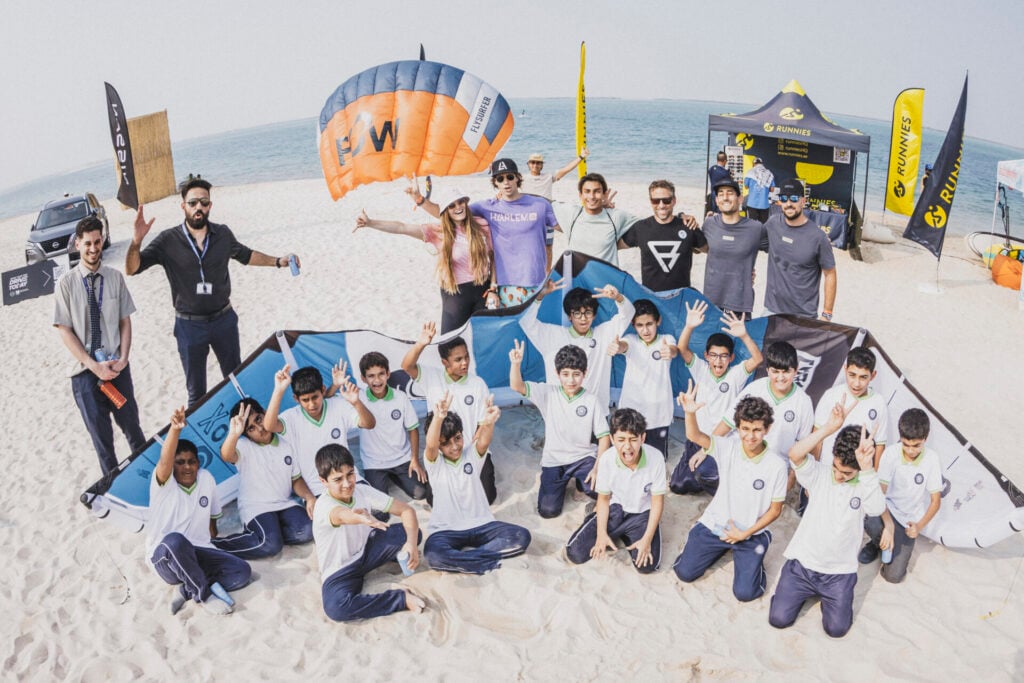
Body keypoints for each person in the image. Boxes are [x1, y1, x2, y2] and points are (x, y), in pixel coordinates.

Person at [126, 178, 300, 406]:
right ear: (183, 206)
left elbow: (246, 255)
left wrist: (278, 261)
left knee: (236, 380)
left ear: (210, 205)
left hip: (223, 320)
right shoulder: (167, 240)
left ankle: (241, 421)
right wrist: (136, 241)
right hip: (189, 326)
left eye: (204, 202)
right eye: (193, 203)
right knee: (196, 393)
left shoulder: (222, 234)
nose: (199, 207)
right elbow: (132, 269)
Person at [768, 406, 885, 638]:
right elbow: (794, 454)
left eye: (847, 473)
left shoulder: (866, 484)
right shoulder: (820, 473)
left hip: (838, 574)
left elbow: (877, 508)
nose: (839, 476)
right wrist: (828, 428)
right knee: (778, 619)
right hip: (802, 566)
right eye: (836, 468)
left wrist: (867, 468)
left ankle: (828, 599)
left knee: (836, 629)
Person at [674, 385, 787, 601]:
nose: (750, 436)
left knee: (745, 593)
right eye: (745, 429)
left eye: (757, 430)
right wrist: (689, 413)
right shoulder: (727, 447)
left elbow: (775, 511)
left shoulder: (777, 465)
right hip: (716, 525)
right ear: (738, 427)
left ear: (767, 428)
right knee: (684, 573)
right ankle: (715, 545)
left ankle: (754, 558)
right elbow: (694, 435)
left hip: (750, 533)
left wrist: (745, 534)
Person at [54, 216, 146, 475]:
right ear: (77, 244)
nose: (93, 249)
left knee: (134, 431)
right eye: (87, 244)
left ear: (103, 240)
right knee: (103, 443)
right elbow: (64, 330)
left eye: (97, 242)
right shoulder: (66, 284)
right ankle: (114, 488)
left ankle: (146, 477)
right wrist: (93, 366)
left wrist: (124, 358)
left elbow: (125, 321)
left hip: (116, 368)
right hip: (85, 374)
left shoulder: (115, 278)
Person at [409, 159, 558, 306]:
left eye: (510, 177)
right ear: (495, 183)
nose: (506, 182)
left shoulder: (540, 204)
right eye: (500, 179)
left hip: (537, 282)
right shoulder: (487, 207)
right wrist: (419, 199)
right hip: (505, 285)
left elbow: (563, 227)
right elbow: (449, 212)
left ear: (518, 178)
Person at [147, 406, 251, 616]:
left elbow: (213, 519)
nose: (187, 467)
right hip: (165, 557)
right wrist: (175, 430)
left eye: (191, 462)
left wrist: (210, 540)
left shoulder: (206, 478)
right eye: (180, 462)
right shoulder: (164, 483)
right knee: (175, 541)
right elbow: (165, 460)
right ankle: (203, 595)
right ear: (173, 466)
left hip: (197, 552)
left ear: (198, 463)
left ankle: (186, 588)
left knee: (242, 571)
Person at [356, 186, 494, 332]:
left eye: (461, 202)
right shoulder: (437, 231)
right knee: (451, 341)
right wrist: (370, 223)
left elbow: (493, 258)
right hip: (455, 293)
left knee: (483, 337)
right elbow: (402, 228)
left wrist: (493, 288)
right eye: (452, 205)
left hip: (483, 290)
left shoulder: (481, 225)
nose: (458, 207)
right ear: (445, 210)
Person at [313, 444, 425, 622]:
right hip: (341, 569)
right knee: (336, 609)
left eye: (350, 474)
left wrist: (410, 544)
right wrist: (359, 518)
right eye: (338, 479)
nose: (347, 483)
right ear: (323, 481)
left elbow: (406, 510)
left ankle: (399, 554)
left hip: (368, 550)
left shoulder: (361, 491)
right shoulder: (323, 505)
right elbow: (340, 515)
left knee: (413, 533)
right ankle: (401, 598)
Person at [421, 392, 531, 574]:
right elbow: (431, 445)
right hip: (446, 530)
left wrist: (488, 422)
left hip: (482, 525)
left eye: (457, 438)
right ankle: (482, 560)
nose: (454, 446)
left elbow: (484, 441)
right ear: (439, 446)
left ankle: (470, 559)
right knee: (434, 555)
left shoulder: (471, 455)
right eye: (446, 443)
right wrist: (438, 418)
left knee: (521, 536)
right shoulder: (435, 464)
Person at [670, 300, 763, 495]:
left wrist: (744, 335)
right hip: (698, 437)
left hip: (722, 441)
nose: (718, 361)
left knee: (706, 474)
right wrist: (689, 326)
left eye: (723, 356)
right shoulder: (701, 370)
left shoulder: (735, 375)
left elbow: (757, 359)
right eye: (713, 355)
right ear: (706, 356)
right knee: (678, 485)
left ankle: (726, 485)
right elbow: (683, 349)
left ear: (731, 358)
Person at [510, 342, 610, 518]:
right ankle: (561, 484)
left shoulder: (591, 400)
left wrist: (597, 467)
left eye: (576, 374)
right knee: (548, 511)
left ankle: (580, 485)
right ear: (557, 374)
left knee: (600, 489)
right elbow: (517, 386)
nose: (571, 380)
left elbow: (604, 436)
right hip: (554, 459)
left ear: (585, 373)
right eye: (565, 374)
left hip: (583, 457)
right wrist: (516, 364)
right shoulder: (547, 393)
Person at [401, 323, 496, 503]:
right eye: (458, 359)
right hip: (443, 453)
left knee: (488, 498)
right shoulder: (431, 377)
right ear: (445, 362)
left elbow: (482, 426)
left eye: (466, 357)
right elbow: (407, 366)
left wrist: (470, 455)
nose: (465, 363)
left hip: (470, 451)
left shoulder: (478, 384)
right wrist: (421, 344)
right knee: (434, 501)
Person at [565, 408, 666, 574]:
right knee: (575, 553)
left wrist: (646, 540)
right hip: (615, 510)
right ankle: (599, 518)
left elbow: (657, 502)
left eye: (633, 439)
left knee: (647, 566)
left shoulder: (656, 458)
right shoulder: (606, 459)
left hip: (641, 514)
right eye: (621, 440)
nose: (627, 446)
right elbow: (604, 499)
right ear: (612, 439)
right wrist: (601, 534)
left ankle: (625, 534)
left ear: (643, 438)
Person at [212, 398, 316, 559]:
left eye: (259, 419)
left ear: (266, 413)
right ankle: (213, 546)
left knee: (308, 530)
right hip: (256, 507)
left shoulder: (286, 443)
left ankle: (269, 534)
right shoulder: (243, 446)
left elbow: (295, 479)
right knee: (269, 545)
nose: (259, 429)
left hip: (283, 503)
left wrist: (309, 497)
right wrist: (233, 434)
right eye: (251, 428)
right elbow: (226, 455)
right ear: (246, 435)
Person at [262, 362, 375, 497]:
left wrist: (357, 403)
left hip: (350, 481)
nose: (312, 405)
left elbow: (369, 424)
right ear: (296, 399)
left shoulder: (338, 404)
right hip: (319, 490)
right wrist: (279, 390)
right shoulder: (291, 418)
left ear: (323, 390)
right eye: (305, 400)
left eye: (315, 397)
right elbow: (269, 426)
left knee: (381, 508)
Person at [713, 341, 814, 489]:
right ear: (767, 370)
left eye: (786, 372)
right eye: (775, 371)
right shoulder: (755, 388)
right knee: (705, 471)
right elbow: (727, 422)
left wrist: (791, 478)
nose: (781, 377)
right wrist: (705, 450)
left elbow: (803, 446)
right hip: (742, 457)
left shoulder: (803, 402)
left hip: (774, 466)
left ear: (796, 370)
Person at [519, 281, 634, 410]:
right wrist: (540, 296)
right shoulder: (552, 335)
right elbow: (526, 322)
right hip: (561, 413)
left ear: (594, 315)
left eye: (588, 313)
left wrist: (618, 297)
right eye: (577, 313)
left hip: (597, 414)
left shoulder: (604, 334)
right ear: (569, 316)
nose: (583, 318)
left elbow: (628, 313)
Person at [858, 408, 942, 583]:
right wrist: (888, 526)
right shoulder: (891, 453)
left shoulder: (932, 459)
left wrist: (918, 527)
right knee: (871, 519)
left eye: (916, 446)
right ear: (900, 438)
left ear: (925, 439)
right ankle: (876, 543)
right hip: (887, 511)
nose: (910, 450)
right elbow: (880, 493)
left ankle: (889, 546)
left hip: (908, 521)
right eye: (906, 444)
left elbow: (935, 502)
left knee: (894, 577)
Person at [607, 299, 677, 456]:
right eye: (640, 325)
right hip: (631, 412)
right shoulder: (631, 340)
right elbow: (623, 346)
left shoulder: (667, 339)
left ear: (658, 321)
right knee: (628, 455)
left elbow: (673, 350)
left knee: (657, 457)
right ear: (633, 325)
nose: (645, 330)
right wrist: (617, 347)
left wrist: (670, 351)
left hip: (659, 414)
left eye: (649, 324)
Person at [356, 352, 427, 501]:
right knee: (379, 508)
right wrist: (335, 385)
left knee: (421, 493)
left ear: (388, 374)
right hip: (374, 463)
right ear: (363, 378)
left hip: (402, 459)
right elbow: (328, 401)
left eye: (381, 374)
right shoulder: (358, 399)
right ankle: (386, 477)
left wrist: (414, 459)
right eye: (371, 376)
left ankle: (396, 477)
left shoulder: (400, 397)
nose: (377, 380)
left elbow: (413, 429)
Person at [763, 178, 837, 321]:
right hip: (771, 310)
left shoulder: (818, 237)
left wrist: (827, 313)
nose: (789, 204)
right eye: (784, 198)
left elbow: (830, 274)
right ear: (779, 202)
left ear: (803, 201)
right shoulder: (772, 224)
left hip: (803, 316)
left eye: (794, 198)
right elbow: (749, 241)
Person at [620, 180, 707, 292]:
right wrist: (604, 210)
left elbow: (712, 250)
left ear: (674, 201)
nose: (661, 205)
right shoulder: (640, 228)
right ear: (650, 201)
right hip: (651, 297)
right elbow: (609, 245)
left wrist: (714, 219)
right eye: (656, 201)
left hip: (681, 296)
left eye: (666, 201)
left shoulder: (688, 226)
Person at [700, 177, 768, 320]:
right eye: (721, 194)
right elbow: (697, 247)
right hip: (711, 301)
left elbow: (780, 252)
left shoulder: (756, 228)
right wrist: (683, 216)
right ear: (716, 201)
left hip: (740, 304)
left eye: (730, 193)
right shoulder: (709, 224)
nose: (725, 197)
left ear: (740, 199)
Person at [812, 347, 889, 468]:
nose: (856, 383)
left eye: (863, 377)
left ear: (873, 375)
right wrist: (814, 471)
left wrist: (873, 477)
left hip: (859, 475)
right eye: (852, 375)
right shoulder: (831, 395)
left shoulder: (879, 402)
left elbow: (880, 445)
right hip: (827, 470)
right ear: (845, 369)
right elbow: (816, 438)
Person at [552, 173, 641, 268]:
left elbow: (647, 227)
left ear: (604, 194)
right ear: (580, 195)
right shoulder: (572, 213)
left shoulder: (616, 216)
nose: (592, 196)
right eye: (587, 191)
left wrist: (615, 244)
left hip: (606, 276)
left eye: (597, 191)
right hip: (578, 276)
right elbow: (542, 203)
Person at [520, 149, 588, 200]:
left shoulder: (548, 177)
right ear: (528, 164)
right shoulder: (522, 178)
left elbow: (566, 169)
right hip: (528, 209)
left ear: (542, 165)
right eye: (533, 162)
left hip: (545, 208)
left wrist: (581, 157)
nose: (535, 165)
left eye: (538, 163)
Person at [743, 158, 775, 223]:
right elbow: (772, 189)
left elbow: (746, 187)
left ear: (754, 164)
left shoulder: (750, 172)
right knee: (763, 225)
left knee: (752, 225)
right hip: (764, 205)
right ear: (762, 163)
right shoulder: (769, 173)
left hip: (752, 204)